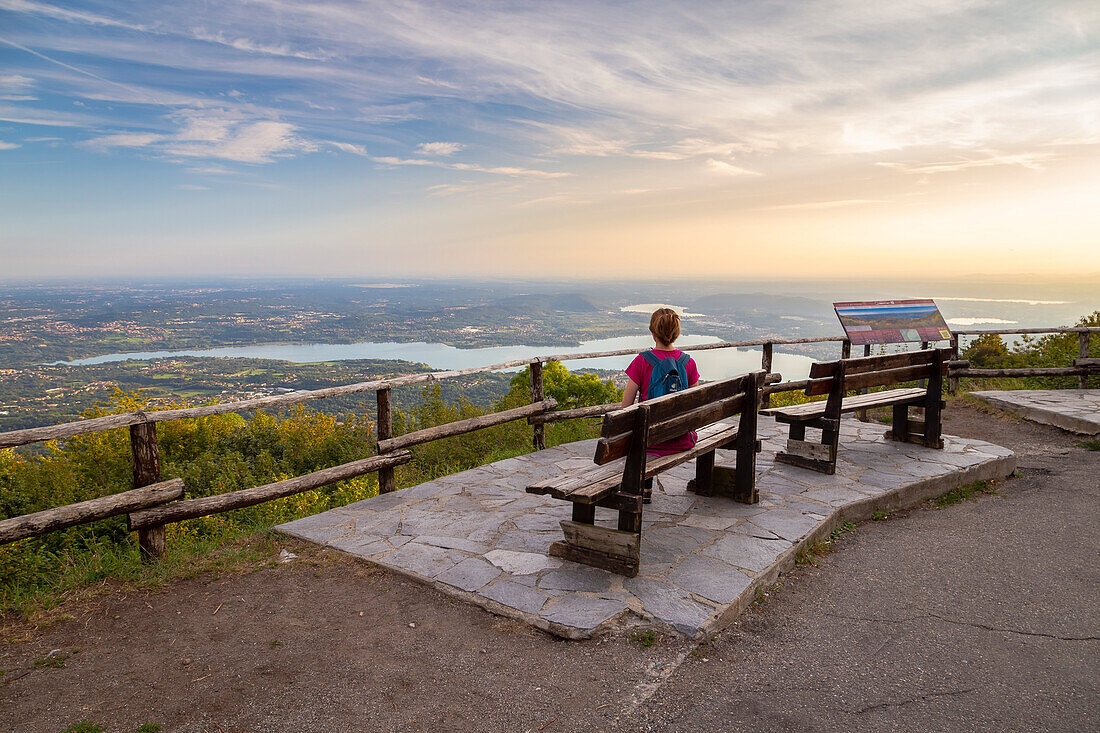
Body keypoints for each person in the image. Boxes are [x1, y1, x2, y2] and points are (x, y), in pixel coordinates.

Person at [620, 307, 700, 502]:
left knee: (640, 431)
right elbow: (696, 404)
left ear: (652, 332)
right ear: (676, 334)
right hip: (682, 439)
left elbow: (625, 407)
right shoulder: (688, 363)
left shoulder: (642, 362)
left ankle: (645, 490)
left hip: (649, 443)